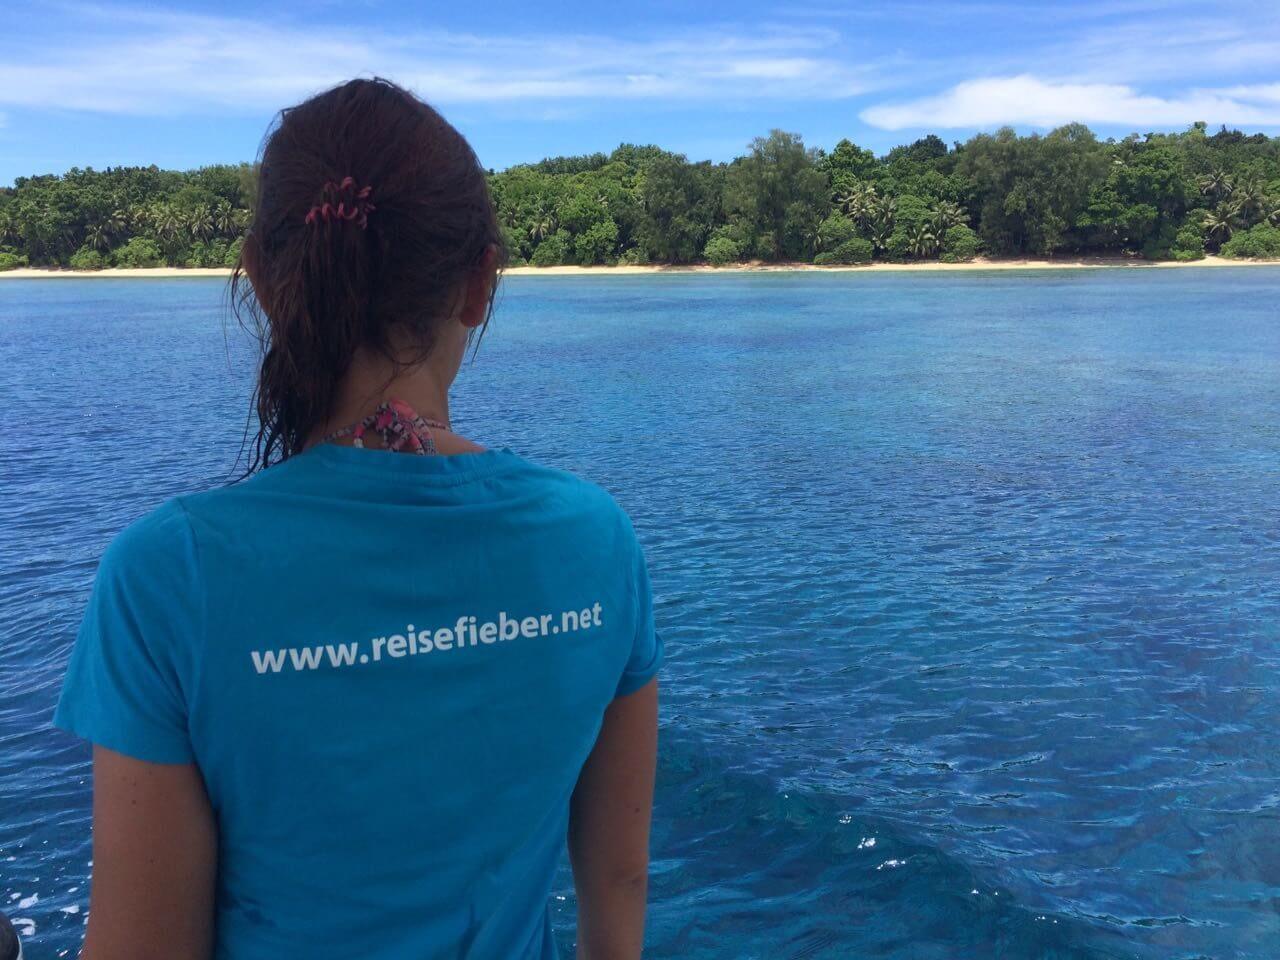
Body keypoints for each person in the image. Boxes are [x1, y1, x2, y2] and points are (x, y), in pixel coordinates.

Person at [54, 77, 662, 960]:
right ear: (479, 284)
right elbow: (619, 882)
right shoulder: (596, 539)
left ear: (265, 279)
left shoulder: (168, 575)